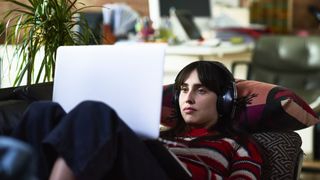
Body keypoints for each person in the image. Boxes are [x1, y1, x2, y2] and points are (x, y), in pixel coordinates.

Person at [11, 61, 263, 180]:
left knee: (94, 112)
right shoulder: (163, 136)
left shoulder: (238, 144)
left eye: (201, 90)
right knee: (42, 112)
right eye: (184, 89)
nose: (188, 98)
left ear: (224, 100)